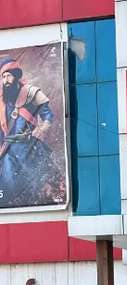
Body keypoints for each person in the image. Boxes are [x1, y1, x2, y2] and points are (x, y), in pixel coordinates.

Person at [0, 56, 60, 210]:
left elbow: (48, 116)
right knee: (10, 186)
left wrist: (41, 129)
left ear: (16, 76)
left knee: (39, 184)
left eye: (9, 76)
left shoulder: (31, 92)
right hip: (9, 151)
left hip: (29, 148)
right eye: (3, 76)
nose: (6, 80)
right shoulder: (2, 100)